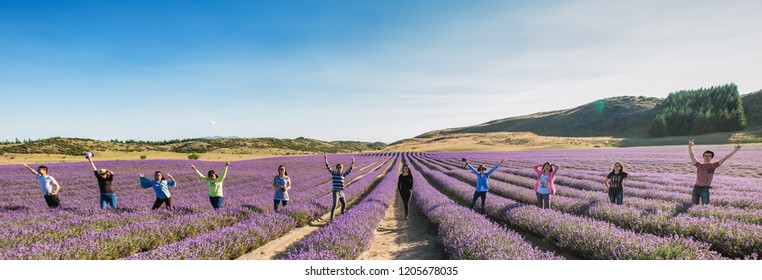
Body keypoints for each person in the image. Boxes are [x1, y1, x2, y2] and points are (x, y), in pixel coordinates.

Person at [688, 139, 741, 205]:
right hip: (696, 188)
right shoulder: (699, 165)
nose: (707, 157)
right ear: (703, 156)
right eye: (705, 155)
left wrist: (735, 150)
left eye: (709, 156)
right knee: (694, 205)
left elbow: (725, 158)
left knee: (706, 206)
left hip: (705, 189)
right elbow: (692, 157)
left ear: (711, 158)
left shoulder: (713, 166)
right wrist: (689, 147)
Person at [325, 155, 355, 221]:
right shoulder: (333, 173)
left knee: (344, 204)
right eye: (338, 167)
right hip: (335, 192)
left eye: (340, 167)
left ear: (342, 168)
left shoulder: (343, 174)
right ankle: (332, 219)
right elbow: (328, 167)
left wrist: (352, 163)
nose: (339, 168)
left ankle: (342, 215)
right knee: (335, 205)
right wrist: (326, 160)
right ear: (336, 168)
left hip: (341, 192)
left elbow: (349, 170)